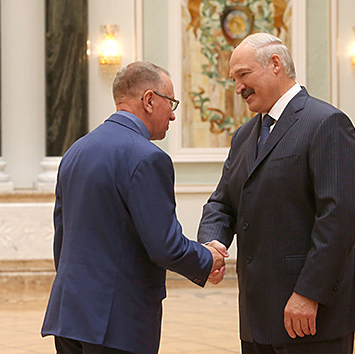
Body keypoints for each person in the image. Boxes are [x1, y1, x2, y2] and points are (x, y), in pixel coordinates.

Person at [198, 33, 355, 353]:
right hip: (257, 316)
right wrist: (213, 242)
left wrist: (309, 294)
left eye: (243, 75)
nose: (238, 87)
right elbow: (222, 202)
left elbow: (338, 218)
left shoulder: (327, 123)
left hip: (311, 313)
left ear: (276, 64)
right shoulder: (244, 136)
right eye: (234, 79)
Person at [41, 61, 228, 354]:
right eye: (171, 103)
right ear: (150, 100)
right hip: (117, 322)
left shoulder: (75, 151)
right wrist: (207, 258)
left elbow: (62, 239)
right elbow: (164, 245)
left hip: (69, 315)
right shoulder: (147, 157)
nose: (174, 115)